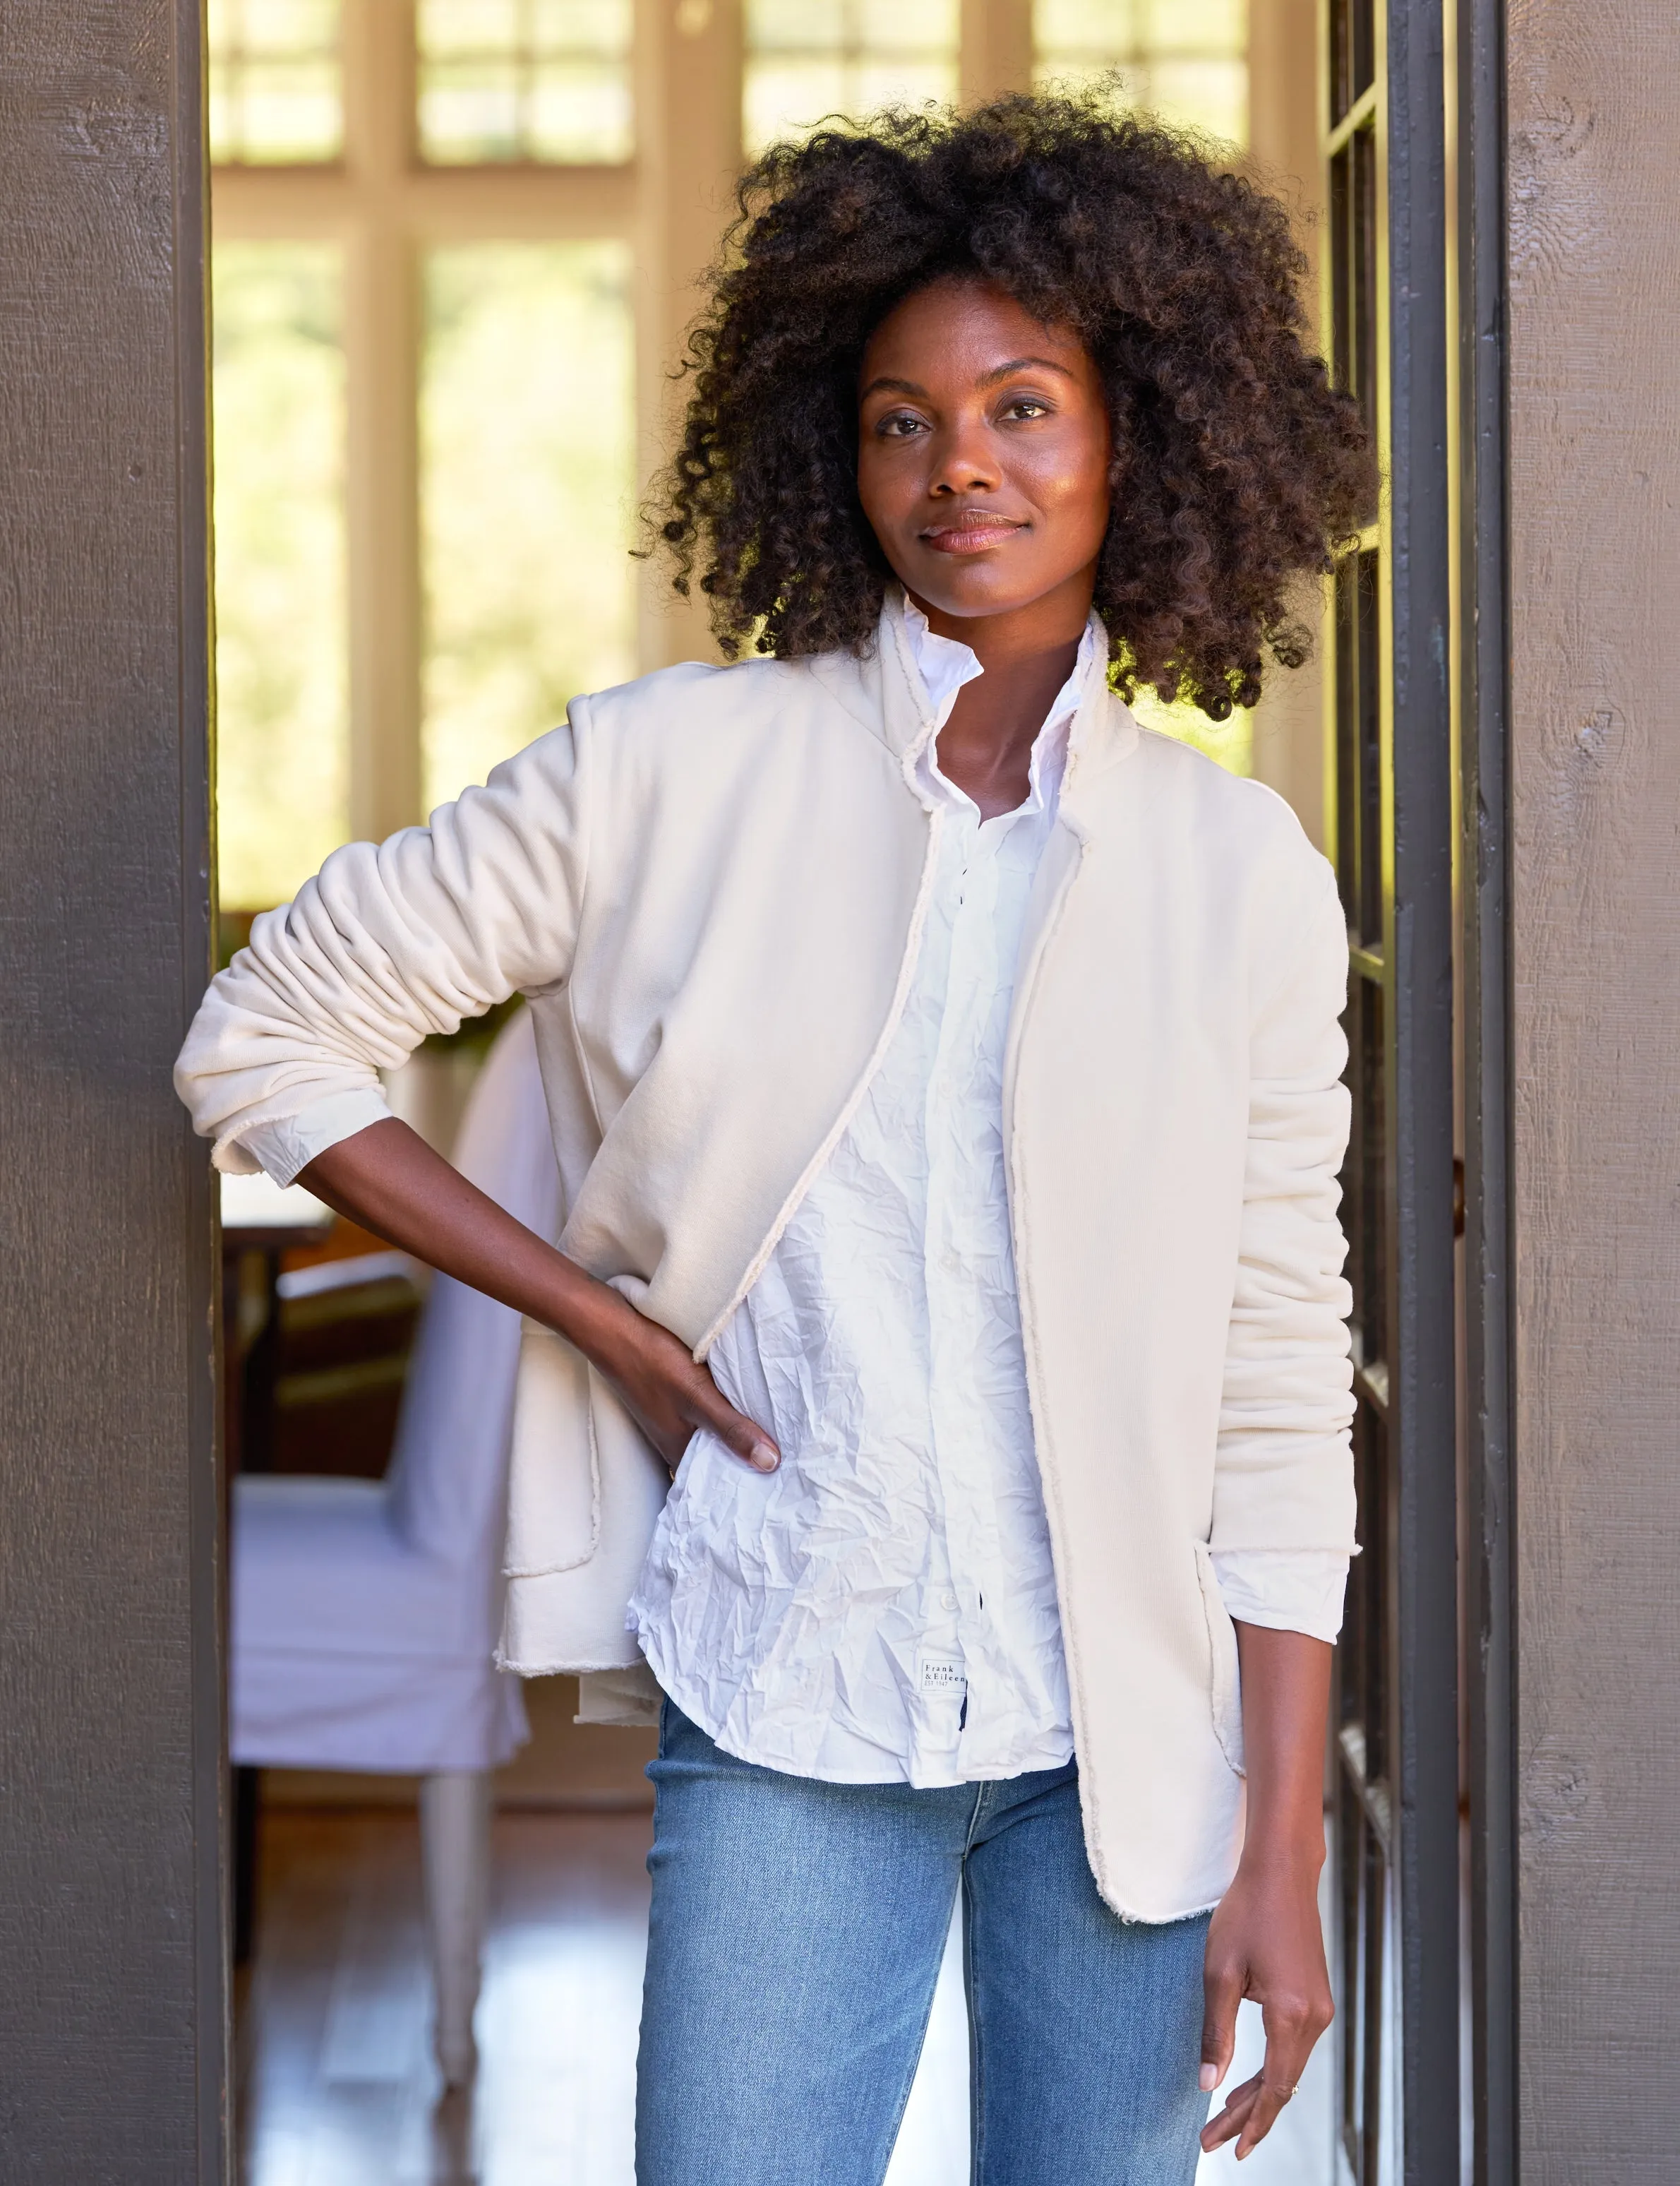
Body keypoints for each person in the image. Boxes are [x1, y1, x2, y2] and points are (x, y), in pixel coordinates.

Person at [178, 93, 1369, 2185]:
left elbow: (1274, 1384)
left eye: (1021, 407)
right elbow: (267, 1034)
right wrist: (605, 1321)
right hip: (789, 1696)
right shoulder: (666, 773)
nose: (959, 466)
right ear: (832, 449)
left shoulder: (1234, 870)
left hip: (1125, 1743)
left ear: (1142, 441)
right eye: (900, 421)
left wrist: (1279, 1842)